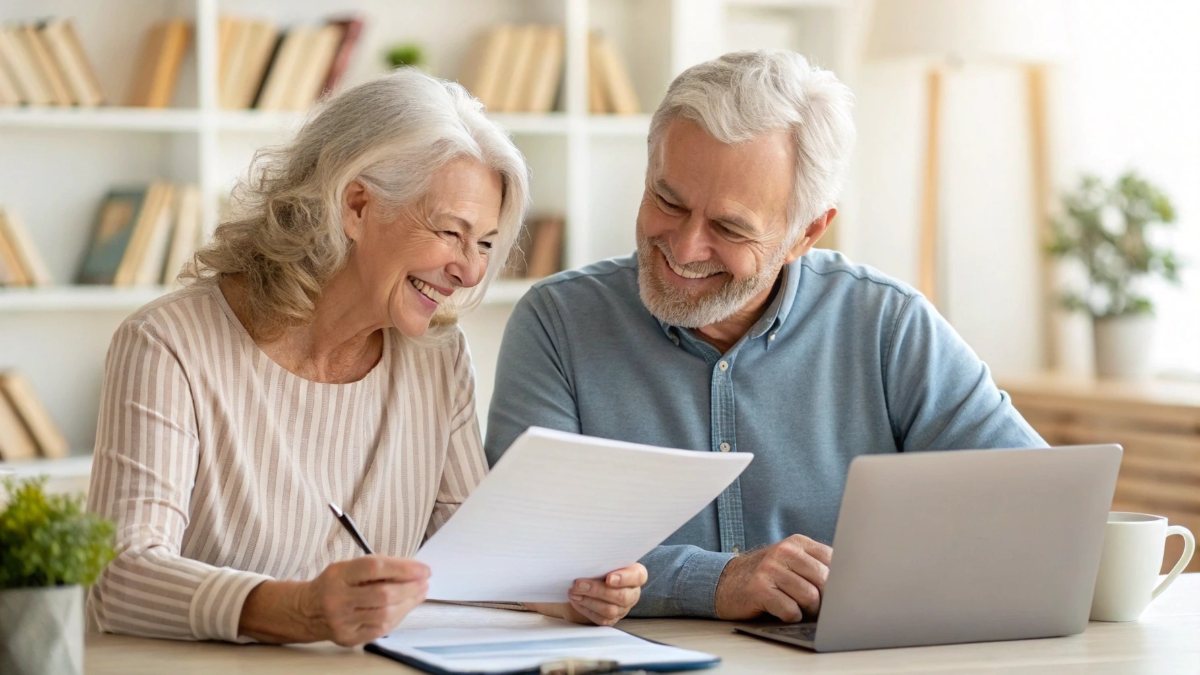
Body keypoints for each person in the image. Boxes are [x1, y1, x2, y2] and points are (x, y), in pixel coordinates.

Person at [86, 69, 645, 647]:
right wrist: (296, 610)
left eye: (483, 243)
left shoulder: (438, 359)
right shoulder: (168, 344)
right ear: (356, 206)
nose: (471, 270)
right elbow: (119, 574)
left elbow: (469, 559)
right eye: (451, 233)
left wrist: (569, 591)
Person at [484, 50, 1045, 623]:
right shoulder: (556, 323)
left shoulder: (887, 325)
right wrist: (717, 581)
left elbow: (1038, 506)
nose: (684, 247)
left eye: (729, 227)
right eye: (667, 201)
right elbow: (524, 550)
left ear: (807, 233)